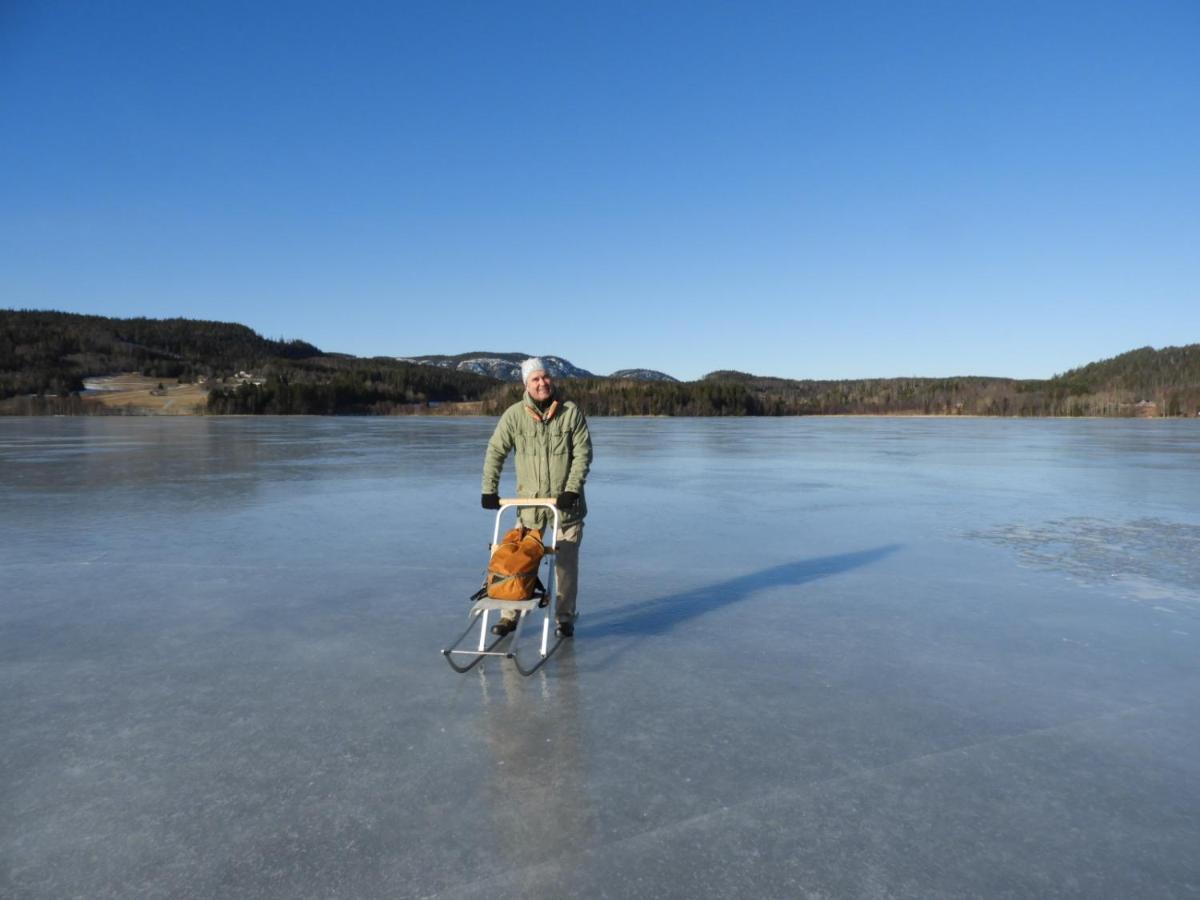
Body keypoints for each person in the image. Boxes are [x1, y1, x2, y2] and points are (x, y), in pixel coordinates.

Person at [482, 357, 592, 638]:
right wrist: (489, 489)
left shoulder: (570, 413)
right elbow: (496, 451)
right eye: (535, 379)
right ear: (525, 384)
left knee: (565, 567)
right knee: (518, 561)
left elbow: (583, 454)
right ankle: (509, 615)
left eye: (545, 377)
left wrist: (571, 489)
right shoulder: (514, 415)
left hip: (566, 506)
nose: (542, 383)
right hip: (529, 505)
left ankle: (564, 618)